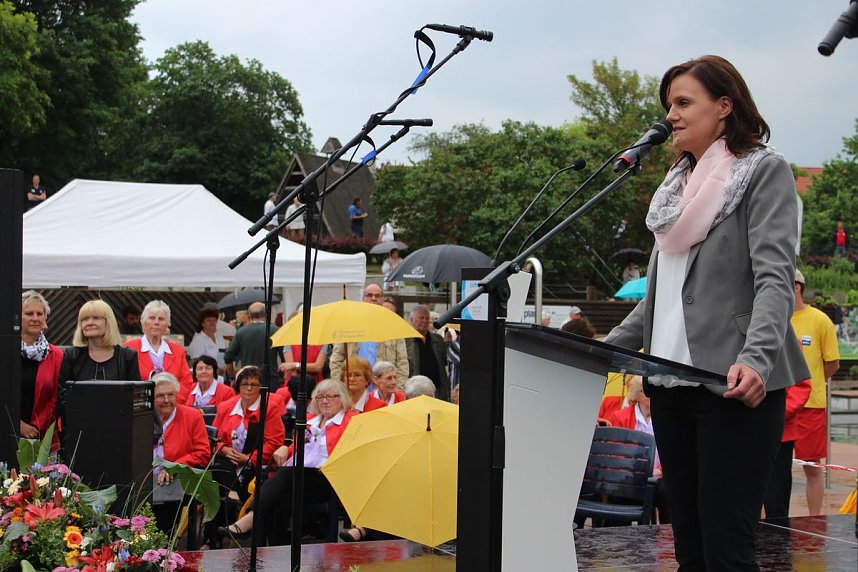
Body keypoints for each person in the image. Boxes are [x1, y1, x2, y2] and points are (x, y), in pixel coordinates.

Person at [603, 55, 809, 571]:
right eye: (668, 104)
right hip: (670, 385)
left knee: (726, 548)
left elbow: (774, 276)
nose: (671, 114)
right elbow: (663, 295)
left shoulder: (763, 171)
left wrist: (758, 358)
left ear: (724, 106)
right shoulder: (677, 188)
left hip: (733, 384)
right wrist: (603, 348)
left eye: (683, 102)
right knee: (690, 547)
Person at [219, 379, 355, 545]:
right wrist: (285, 448)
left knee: (286, 473)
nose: (325, 401)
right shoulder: (310, 419)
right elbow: (296, 448)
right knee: (281, 497)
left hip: (326, 478)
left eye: (330, 397)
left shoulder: (350, 421)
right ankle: (276, 550)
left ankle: (250, 518)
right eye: (320, 397)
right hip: (298, 477)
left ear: (342, 398)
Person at [791, 270, 840, 516]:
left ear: (797, 287)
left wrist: (815, 382)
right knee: (771, 467)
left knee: (811, 467)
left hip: (810, 406)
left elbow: (832, 363)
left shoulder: (820, 321)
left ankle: (814, 520)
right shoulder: (776, 320)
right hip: (778, 405)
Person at [151, 372, 211, 533]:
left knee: (165, 506)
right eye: (160, 396)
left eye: (170, 395)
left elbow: (203, 452)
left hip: (177, 478)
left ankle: (163, 547)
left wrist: (174, 466)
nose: (166, 400)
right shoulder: (143, 416)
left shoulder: (192, 416)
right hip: (146, 478)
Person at [329, 284, 409, 387]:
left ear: (383, 299)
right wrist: (340, 386)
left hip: (383, 388)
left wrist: (398, 389)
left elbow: (402, 362)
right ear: (363, 298)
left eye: (377, 295)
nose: (373, 298)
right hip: (354, 387)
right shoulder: (349, 324)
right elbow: (336, 359)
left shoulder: (394, 326)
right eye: (369, 295)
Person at [124, 300, 194, 402]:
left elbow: (186, 382)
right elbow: (124, 383)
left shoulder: (178, 351)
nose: (156, 322)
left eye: (161, 319)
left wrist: (169, 400)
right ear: (143, 322)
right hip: (139, 408)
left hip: (172, 407)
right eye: (152, 318)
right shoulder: (128, 349)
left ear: (167, 325)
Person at [20, 291, 62, 444]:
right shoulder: (6, 352)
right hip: (6, 432)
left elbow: (56, 397)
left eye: (40, 313)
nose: (35, 318)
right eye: (29, 313)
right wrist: (18, 425)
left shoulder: (56, 355)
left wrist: (36, 427)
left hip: (42, 438)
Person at [223, 302, 282, 389]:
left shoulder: (241, 332)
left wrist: (232, 378)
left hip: (247, 380)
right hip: (270, 379)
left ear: (249, 315)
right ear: (266, 314)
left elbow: (228, 357)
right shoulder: (275, 330)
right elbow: (284, 357)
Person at [405, 305, 450, 402]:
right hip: (415, 389)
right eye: (421, 318)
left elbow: (444, 364)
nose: (424, 321)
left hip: (437, 389)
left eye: (427, 318)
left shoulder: (437, 339)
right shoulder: (405, 341)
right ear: (412, 319)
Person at [188, 306, 228, 373]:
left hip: (222, 375)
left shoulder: (219, 337)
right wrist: (216, 369)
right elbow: (198, 362)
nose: (212, 323)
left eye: (214, 320)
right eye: (209, 320)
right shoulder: (198, 340)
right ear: (203, 323)